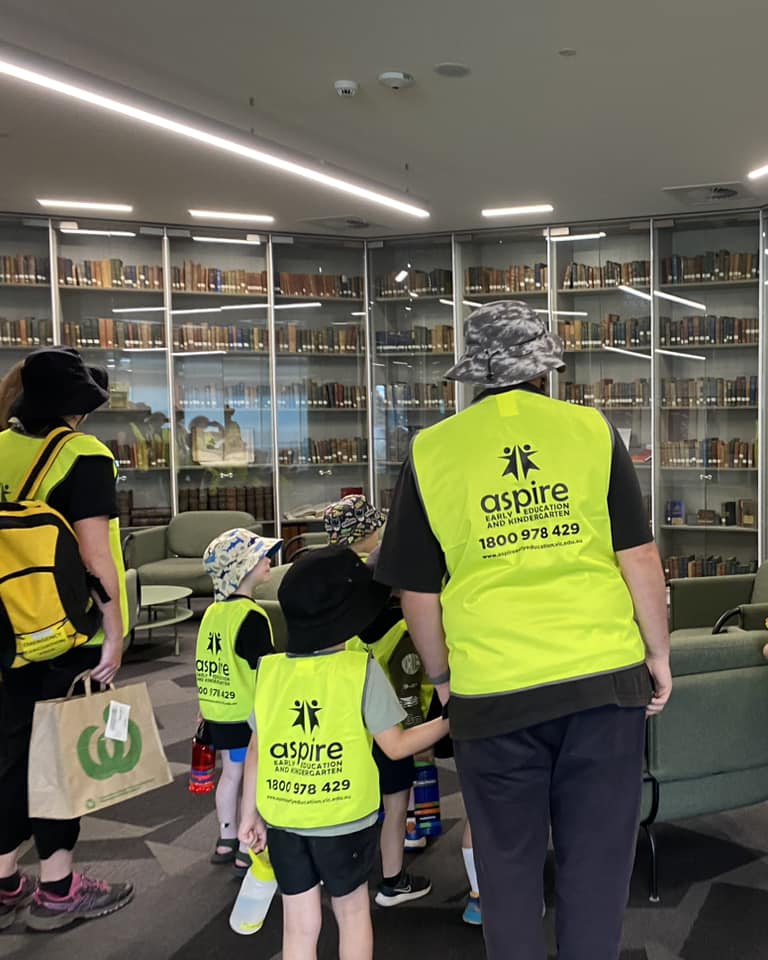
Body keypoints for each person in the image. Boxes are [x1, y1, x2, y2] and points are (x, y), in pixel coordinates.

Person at [375, 301, 672, 960]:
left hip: (491, 691)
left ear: (474, 373)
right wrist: (658, 654)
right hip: (602, 679)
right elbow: (638, 555)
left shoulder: (431, 450)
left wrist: (444, 679)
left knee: (506, 870)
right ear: (545, 368)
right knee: (596, 869)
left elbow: (418, 593)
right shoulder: (591, 430)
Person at [238, 546, 449, 960]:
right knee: (351, 912)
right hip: (344, 818)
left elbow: (256, 749)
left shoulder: (270, 671)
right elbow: (396, 746)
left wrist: (250, 814)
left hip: (283, 818)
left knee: (298, 924)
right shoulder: (359, 670)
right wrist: (449, 719)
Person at [0, 347, 133, 932]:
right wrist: (114, 633)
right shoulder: (84, 454)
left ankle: (5, 879)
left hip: (5, 632)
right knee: (57, 756)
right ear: (76, 407)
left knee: (9, 755)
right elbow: (96, 558)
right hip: (63, 631)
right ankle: (57, 887)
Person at [197, 527, 282, 875]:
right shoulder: (252, 616)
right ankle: (248, 847)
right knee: (252, 776)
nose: (269, 560)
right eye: (261, 557)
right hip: (247, 715)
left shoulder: (211, 613)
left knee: (230, 775)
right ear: (242, 569)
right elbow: (265, 668)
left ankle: (226, 838)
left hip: (217, 711)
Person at [347, 600, 434, 907]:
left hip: (357, 736)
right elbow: (409, 695)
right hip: (394, 734)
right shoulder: (404, 630)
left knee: (361, 810)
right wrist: (421, 737)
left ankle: (344, 873)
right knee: (395, 809)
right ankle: (393, 882)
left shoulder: (351, 632)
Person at [323, 494, 385, 558]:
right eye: (376, 529)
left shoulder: (331, 561)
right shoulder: (372, 562)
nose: (378, 535)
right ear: (365, 533)